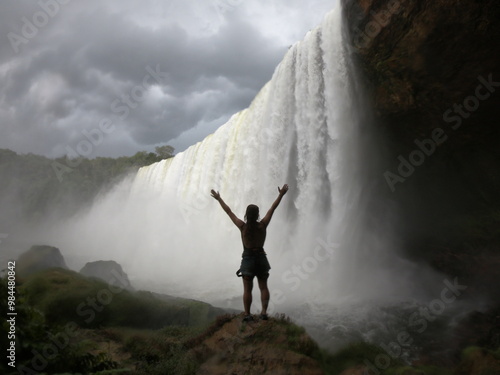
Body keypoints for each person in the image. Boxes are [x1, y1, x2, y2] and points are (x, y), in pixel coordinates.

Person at [211, 184, 289, 322]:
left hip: (248, 259)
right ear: (258, 214)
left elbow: (228, 211)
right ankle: (264, 313)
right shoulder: (263, 225)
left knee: (247, 289)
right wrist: (281, 194)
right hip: (261, 257)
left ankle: (247, 314)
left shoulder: (242, 226)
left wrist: (219, 198)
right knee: (263, 287)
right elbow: (273, 208)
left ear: (247, 215)